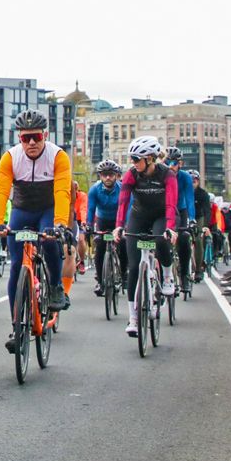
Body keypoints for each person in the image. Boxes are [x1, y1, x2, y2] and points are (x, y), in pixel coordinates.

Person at [0, 110, 72, 354]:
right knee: (16, 264)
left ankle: (56, 286)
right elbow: (2, 192)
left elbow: (62, 193)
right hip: (22, 210)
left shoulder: (58, 156)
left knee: (49, 244)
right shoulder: (10, 158)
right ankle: (17, 326)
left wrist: (59, 224)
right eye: (26, 138)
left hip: (48, 208)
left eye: (36, 137)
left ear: (45, 135)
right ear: (19, 138)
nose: (32, 143)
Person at [115, 136, 178, 336]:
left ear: (150, 158)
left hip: (161, 215)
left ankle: (167, 277)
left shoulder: (167, 175)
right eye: (132, 159)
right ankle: (133, 318)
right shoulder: (131, 175)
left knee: (161, 240)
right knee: (134, 267)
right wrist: (119, 227)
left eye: (136, 159)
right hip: (139, 215)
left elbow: (171, 203)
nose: (133, 163)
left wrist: (170, 228)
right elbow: (123, 203)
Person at [86, 160, 122, 298]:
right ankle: (101, 282)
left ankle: (123, 273)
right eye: (104, 175)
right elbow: (90, 209)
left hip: (118, 220)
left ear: (116, 176)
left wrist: (123, 226)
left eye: (111, 175)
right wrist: (89, 225)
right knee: (100, 245)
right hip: (102, 220)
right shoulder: (95, 189)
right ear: (100, 176)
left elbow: (127, 209)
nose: (108, 178)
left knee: (123, 242)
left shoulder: (122, 189)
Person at [164, 147, 195, 294]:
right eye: (167, 162)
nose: (171, 165)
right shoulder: (161, 176)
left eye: (174, 163)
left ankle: (184, 276)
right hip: (164, 210)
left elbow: (189, 199)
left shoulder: (185, 178)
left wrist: (192, 219)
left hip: (180, 210)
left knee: (184, 238)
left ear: (180, 164)